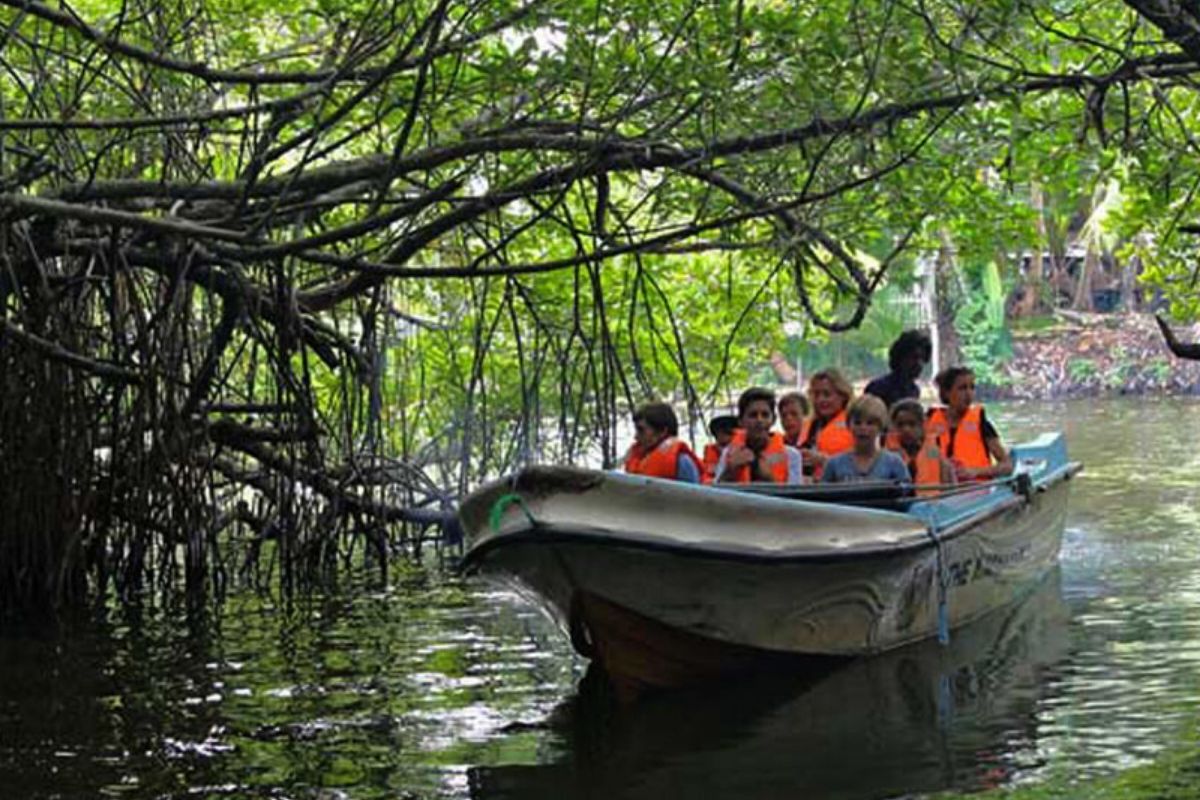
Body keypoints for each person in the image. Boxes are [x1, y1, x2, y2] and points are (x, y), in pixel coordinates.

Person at [927, 367, 1013, 482]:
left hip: (975, 490)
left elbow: (1007, 466)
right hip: (938, 489)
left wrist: (975, 471)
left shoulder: (981, 423)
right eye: (962, 388)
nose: (969, 394)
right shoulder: (928, 421)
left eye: (972, 387)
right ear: (947, 393)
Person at [715, 387, 803, 484]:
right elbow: (715, 494)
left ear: (773, 419)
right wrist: (730, 470)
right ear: (741, 421)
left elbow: (794, 497)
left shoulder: (792, 456)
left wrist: (769, 479)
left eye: (765, 415)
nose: (759, 420)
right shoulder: (728, 453)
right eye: (753, 415)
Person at [821, 395, 910, 484]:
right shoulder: (834, 464)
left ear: (880, 427)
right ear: (848, 426)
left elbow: (906, 492)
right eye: (857, 423)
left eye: (870, 423)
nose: (863, 428)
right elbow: (823, 493)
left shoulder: (894, 463)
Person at [797, 368, 855, 479]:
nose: (821, 400)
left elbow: (864, 465)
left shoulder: (856, 424)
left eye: (827, 394)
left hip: (842, 488)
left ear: (843, 396)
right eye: (816, 395)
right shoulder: (809, 426)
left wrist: (824, 460)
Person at [623, 402, 703, 483]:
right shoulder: (636, 458)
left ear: (662, 431)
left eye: (641, 430)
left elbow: (692, 494)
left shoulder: (682, 462)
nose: (636, 436)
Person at [887, 399, 955, 491]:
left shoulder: (935, 453)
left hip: (932, 502)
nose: (906, 430)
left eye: (912, 424)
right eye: (900, 425)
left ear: (922, 425)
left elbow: (949, 484)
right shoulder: (887, 456)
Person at [863, 329, 933, 410]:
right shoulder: (878, 388)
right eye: (914, 357)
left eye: (922, 359)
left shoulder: (914, 391)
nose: (919, 363)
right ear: (901, 358)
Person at [700, 414, 738, 485]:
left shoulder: (742, 452)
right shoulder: (708, 455)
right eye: (720, 430)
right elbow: (703, 478)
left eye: (728, 432)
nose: (723, 434)